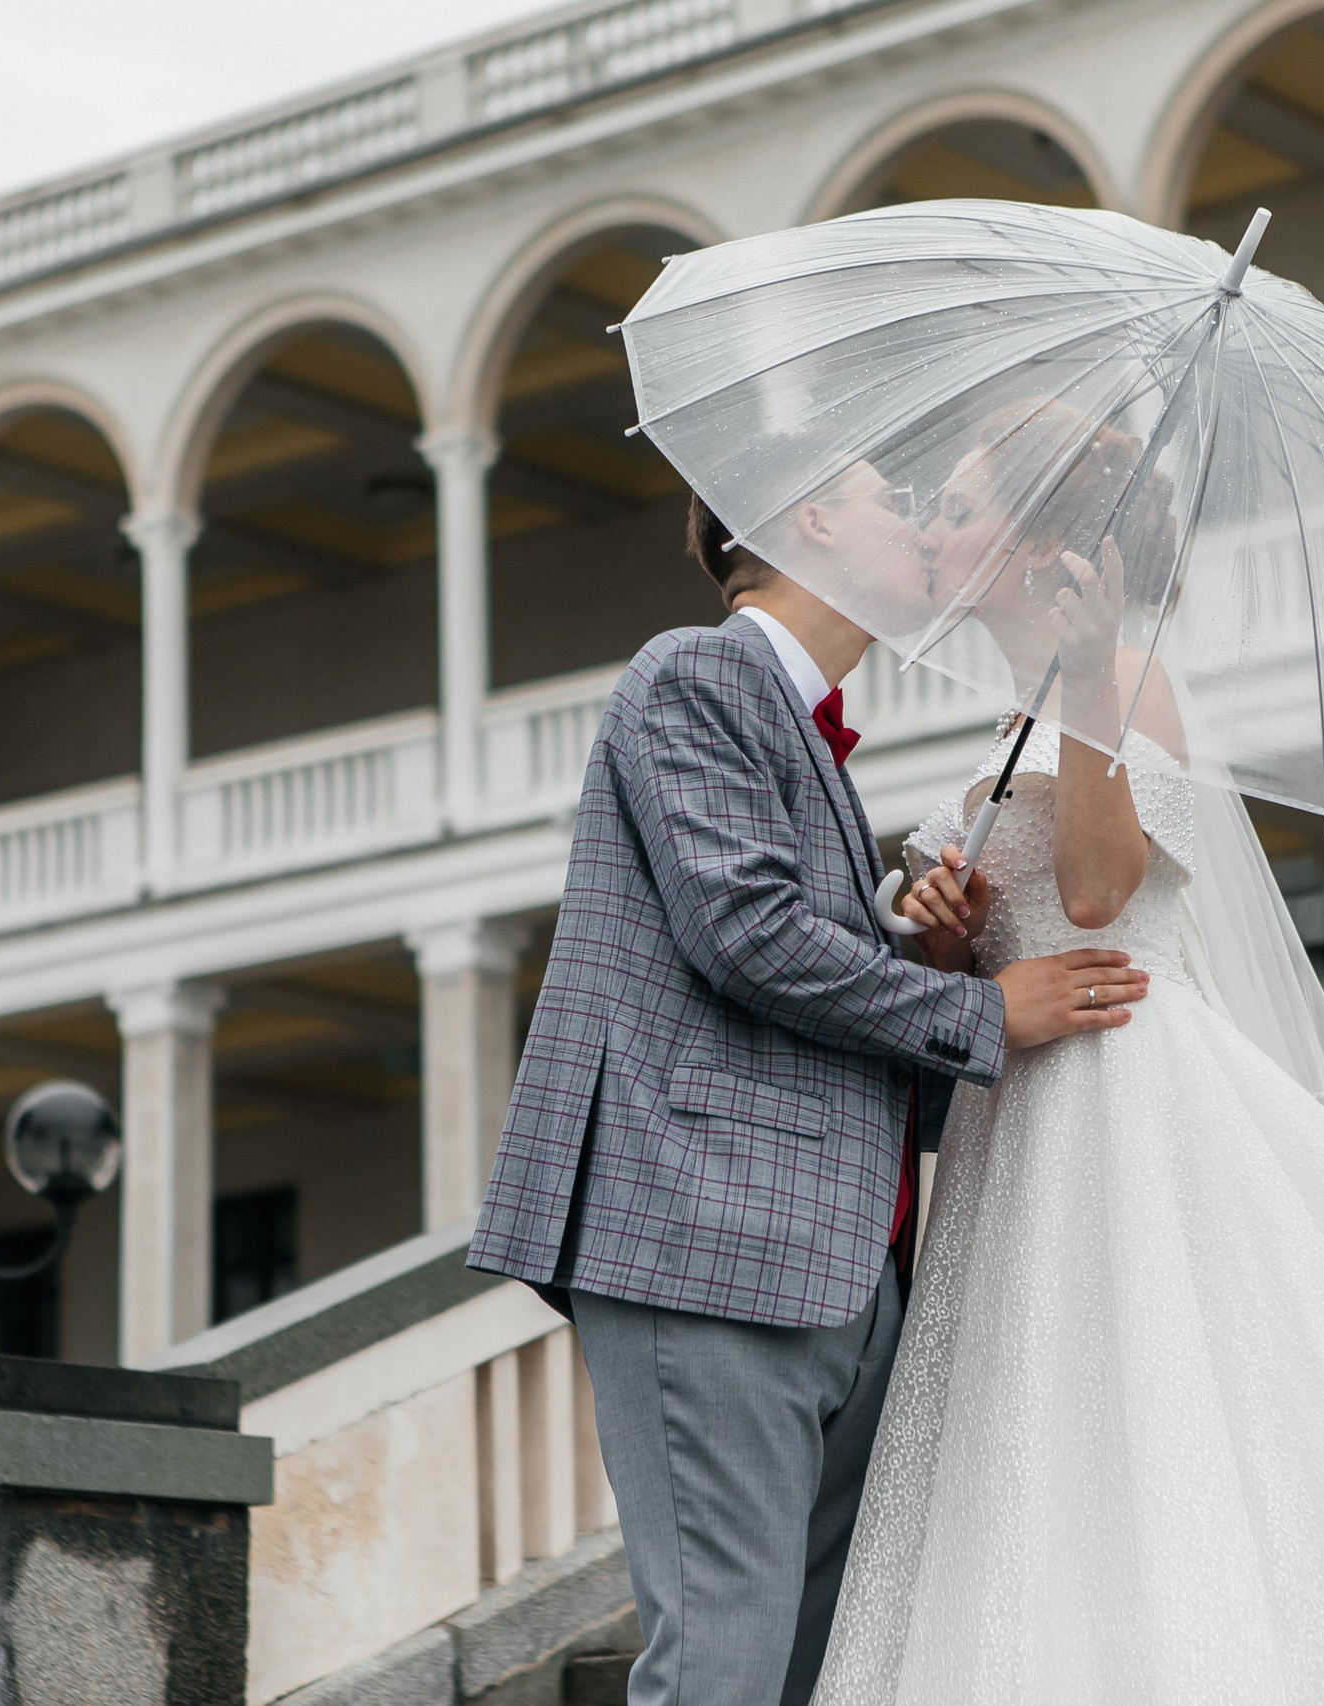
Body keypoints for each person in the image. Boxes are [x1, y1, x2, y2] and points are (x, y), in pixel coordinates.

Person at [804, 424, 1324, 1704]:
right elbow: (998, 952)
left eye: (956, 506)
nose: (928, 529)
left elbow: (1094, 893)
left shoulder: (1125, 682)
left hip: (1120, 1097)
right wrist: (953, 932)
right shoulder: (1007, 723)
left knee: (1153, 1408)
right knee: (1040, 1439)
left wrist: (1086, 681)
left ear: (1037, 548)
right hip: (1020, 1114)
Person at [466, 468, 1151, 1706]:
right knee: (723, 1660)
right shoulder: (694, 672)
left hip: (843, 1265)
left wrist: (924, 952)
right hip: (707, 1242)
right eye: (891, 496)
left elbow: (789, 986)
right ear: (807, 521)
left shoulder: (809, 732)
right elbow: (746, 933)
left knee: (812, 1667)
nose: (923, 519)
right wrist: (981, 1006)